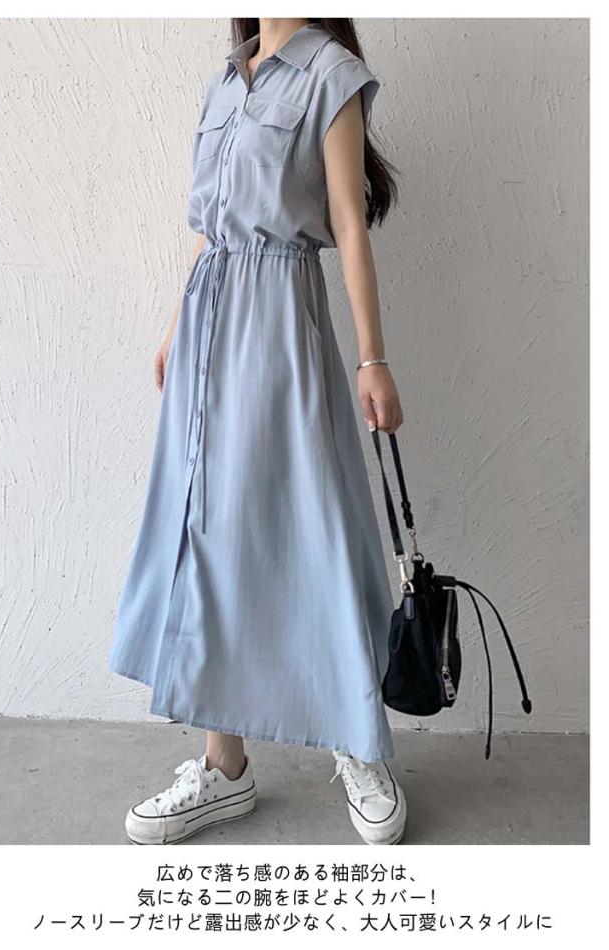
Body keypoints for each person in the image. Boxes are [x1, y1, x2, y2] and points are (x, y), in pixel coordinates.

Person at [108, 18, 407, 846]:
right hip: (207, 324)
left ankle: (359, 741)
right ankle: (225, 764)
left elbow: (347, 219)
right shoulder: (224, 81)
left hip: (279, 320)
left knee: (313, 525)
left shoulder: (330, 74)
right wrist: (176, 326)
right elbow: (213, 224)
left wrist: (372, 358)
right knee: (210, 531)